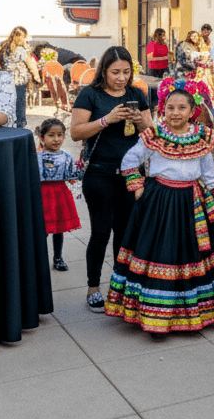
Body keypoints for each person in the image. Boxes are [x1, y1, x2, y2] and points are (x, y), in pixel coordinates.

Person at [105, 89, 214, 337]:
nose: (175, 113)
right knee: (162, 254)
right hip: (159, 201)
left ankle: (191, 312)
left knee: (193, 255)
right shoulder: (155, 135)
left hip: (192, 202)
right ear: (163, 110)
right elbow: (130, 159)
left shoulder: (201, 137)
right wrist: (138, 188)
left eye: (182, 108)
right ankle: (156, 317)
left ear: (192, 112)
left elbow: (207, 171)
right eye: (170, 108)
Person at [70, 46, 153, 312]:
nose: (121, 78)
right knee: (101, 232)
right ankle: (93, 287)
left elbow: (152, 135)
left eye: (126, 72)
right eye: (115, 72)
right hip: (100, 173)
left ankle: (120, 286)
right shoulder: (90, 94)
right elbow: (76, 132)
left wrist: (140, 120)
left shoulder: (137, 94)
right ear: (103, 71)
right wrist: (107, 119)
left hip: (132, 175)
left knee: (126, 233)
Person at [35, 118, 83, 272]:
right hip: (42, 195)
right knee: (42, 230)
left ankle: (58, 258)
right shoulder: (36, 158)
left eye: (60, 135)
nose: (56, 139)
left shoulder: (67, 157)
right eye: (51, 135)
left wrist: (77, 174)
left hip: (60, 194)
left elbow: (70, 175)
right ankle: (39, 258)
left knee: (59, 229)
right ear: (42, 138)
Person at [0, 26, 39, 129]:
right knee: (20, 104)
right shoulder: (20, 49)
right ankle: (20, 126)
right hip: (19, 81)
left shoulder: (3, 46)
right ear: (17, 37)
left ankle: (8, 124)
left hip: (6, 81)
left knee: (8, 104)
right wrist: (36, 76)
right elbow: (29, 62)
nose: (25, 40)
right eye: (23, 37)